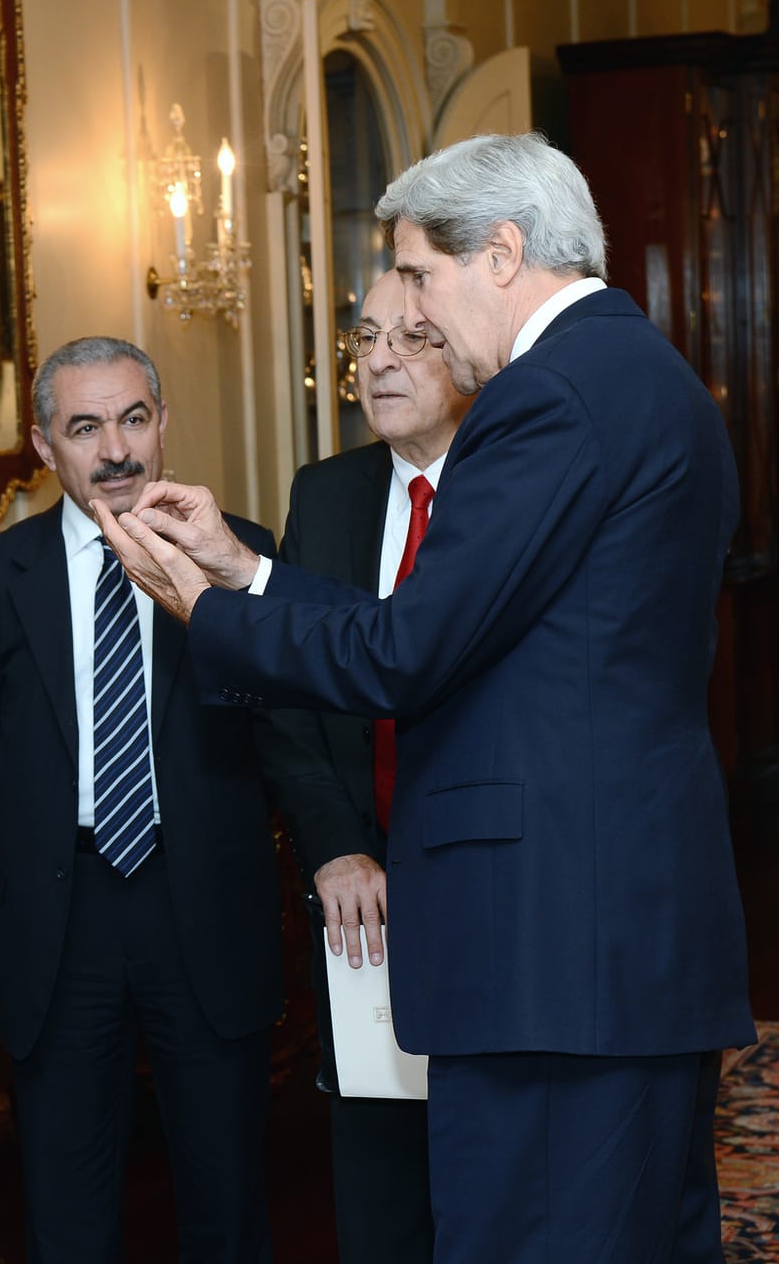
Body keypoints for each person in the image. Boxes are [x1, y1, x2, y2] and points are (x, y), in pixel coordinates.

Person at [97, 133, 753, 1264]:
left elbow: (405, 651)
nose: (415, 316)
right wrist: (250, 569)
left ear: (499, 252)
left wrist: (204, 607)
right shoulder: (646, 372)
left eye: (419, 275)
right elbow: (474, 625)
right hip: (620, 929)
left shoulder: (546, 396)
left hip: (550, 947)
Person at [0, 336, 281, 1263]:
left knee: (227, 1196)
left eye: (133, 419)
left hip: (203, 901)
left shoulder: (241, 557)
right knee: (68, 1206)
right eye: (85, 428)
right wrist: (53, 821)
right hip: (64, 915)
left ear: (163, 424)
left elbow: (280, 728)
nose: (116, 449)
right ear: (44, 445)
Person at [253, 269, 471, 1264]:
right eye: (365, 337)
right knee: (379, 1190)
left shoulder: (510, 487)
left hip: (485, 883)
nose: (378, 360)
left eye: (410, 338)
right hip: (360, 905)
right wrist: (336, 844)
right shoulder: (326, 492)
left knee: (494, 1178)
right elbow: (285, 691)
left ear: (468, 350)